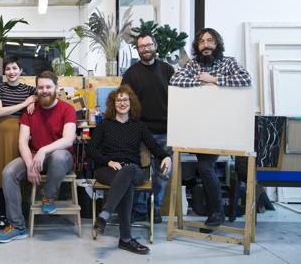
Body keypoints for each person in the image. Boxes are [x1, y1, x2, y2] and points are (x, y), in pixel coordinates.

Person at [170, 27, 251, 230]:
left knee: (205, 168)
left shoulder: (228, 63)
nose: (206, 45)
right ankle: (214, 212)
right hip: (198, 129)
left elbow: (245, 79)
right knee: (203, 169)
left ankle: (217, 213)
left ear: (217, 44)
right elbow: (175, 80)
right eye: (202, 42)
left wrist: (214, 80)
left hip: (222, 129)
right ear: (197, 47)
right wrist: (201, 83)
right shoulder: (193, 65)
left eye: (210, 41)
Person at [0, 71, 76, 243]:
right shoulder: (29, 112)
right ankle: (17, 226)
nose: (44, 90)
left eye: (48, 87)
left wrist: (44, 150)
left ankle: (48, 197)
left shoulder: (67, 109)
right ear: (36, 90)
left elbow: (68, 140)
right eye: (41, 87)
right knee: (8, 173)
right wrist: (30, 164)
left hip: (60, 159)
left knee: (59, 156)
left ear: (56, 88)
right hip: (34, 156)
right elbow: (22, 142)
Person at [89, 85, 172, 255]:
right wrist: (108, 161)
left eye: (125, 99)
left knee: (128, 170)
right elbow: (91, 150)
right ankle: (125, 239)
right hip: (107, 169)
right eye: (118, 100)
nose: (122, 103)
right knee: (124, 181)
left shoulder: (139, 126)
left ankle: (105, 213)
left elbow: (154, 147)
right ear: (113, 103)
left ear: (131, 103)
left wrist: (165, 156)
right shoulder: (104, 125)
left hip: (133, 170)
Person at [121, 33, 175, 224]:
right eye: (142, 46)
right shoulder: (131, 73)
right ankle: (139, 210)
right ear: (138, 49)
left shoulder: (168, 70)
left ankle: (155, 210)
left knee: (163, 175)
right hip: (141, 133)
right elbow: (124, 102)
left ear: (155, 46)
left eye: (149, 45)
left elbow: (179, 100)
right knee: (141, 173)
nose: (146, 48)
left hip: (166, 132)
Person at [0, 56, 37, 230]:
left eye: (14, 68)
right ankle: (3, 214)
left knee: (15, 175)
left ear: (21, 71)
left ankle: (19, 213)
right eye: (8, 69)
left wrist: (34, 100)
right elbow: (0, 111)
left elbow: (41, 94)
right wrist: (25, 103)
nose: (11, 72)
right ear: (4, 72)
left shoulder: (29, 89)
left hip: (20, 137)